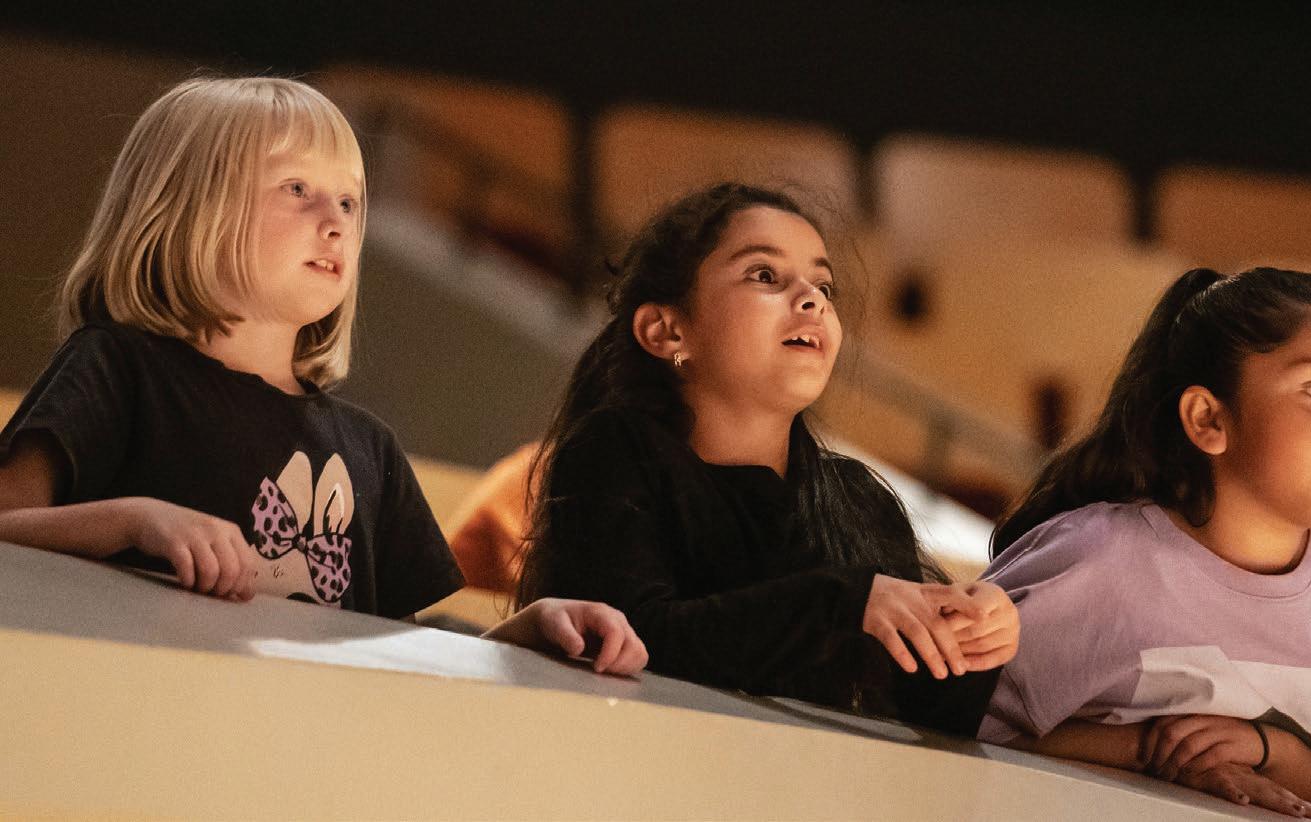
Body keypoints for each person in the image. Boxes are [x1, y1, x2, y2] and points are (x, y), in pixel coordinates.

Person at [0, 76, 645, 675]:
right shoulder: (116, 369)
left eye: (348, 201)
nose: (335, 222)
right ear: (185, 205)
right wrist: (135, 520)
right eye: (296, 189)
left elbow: (398, 651)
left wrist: (528, 637)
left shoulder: (371, 448)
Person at [516, 183, 1019, 730]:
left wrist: (973, 642)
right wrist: (843, 604)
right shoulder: (614, 452)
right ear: (666, 331)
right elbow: (633, 641)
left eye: (824, 286)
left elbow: (926, 717)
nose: (812, 300)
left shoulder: (860, 502)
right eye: (765, 275)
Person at [978, 267, 1311, 820]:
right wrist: (1152, 751)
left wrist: (1268, 752)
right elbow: (953, 714)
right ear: (1208, 418)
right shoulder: (1101, 558)